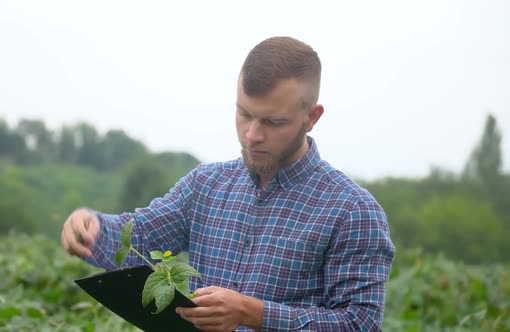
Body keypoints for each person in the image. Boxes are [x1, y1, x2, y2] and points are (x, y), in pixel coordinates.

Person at [61, 36, 395, 332]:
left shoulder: (353, 211)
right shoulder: (207, 184)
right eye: (244, 114)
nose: (252, 135)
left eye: (272, 121)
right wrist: (91, 226)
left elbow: (359, 322)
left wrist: (253, 313)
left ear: (312, 117)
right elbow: (141, 237)